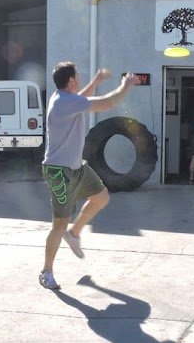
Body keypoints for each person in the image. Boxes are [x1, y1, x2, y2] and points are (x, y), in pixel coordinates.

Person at [39, 62, 140, 291]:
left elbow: (82, 98)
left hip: (76, 167)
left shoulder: (65, 98)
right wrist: (125, 85)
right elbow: (108, 103)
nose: (81, 79)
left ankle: (74, 234)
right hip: (59, 172)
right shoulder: (65, 102)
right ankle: (46, 271)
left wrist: (95, 81)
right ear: (72, 81)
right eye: (79, 76)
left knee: (101, 197)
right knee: (58, 224)